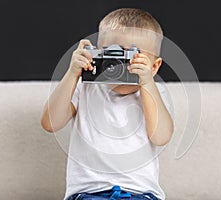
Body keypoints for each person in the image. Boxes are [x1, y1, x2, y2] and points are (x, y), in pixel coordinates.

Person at [40, 8, 174, 200]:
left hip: (140, 193)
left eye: (133, 56)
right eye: (114, 53)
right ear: (98, 54)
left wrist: (146, 84)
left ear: (154, 67)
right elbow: (50, 123)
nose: (121, 64)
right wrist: (72, 74)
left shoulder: (155, 92)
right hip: (88, 192)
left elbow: (161, 137)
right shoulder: (85, 88)